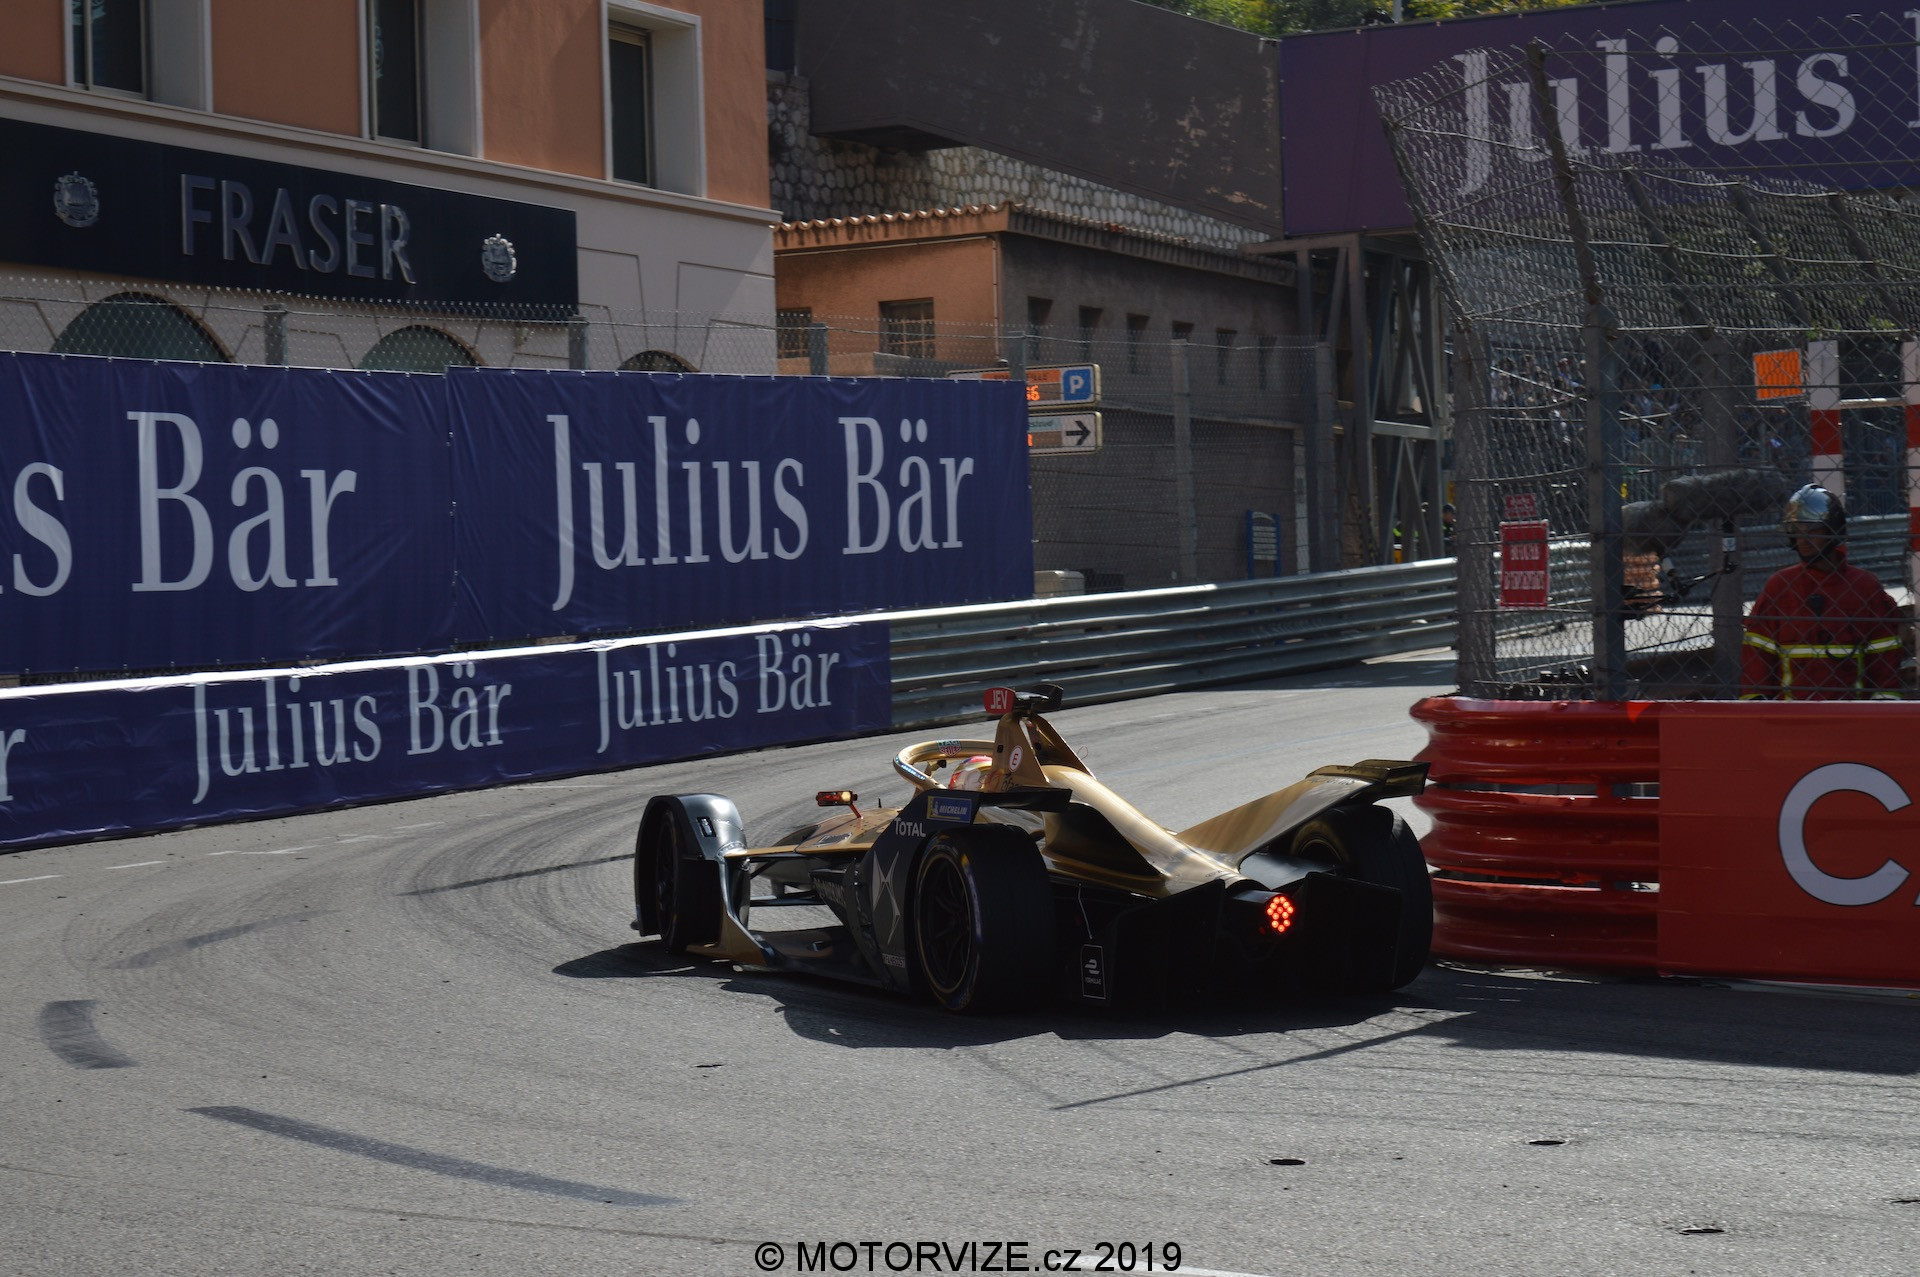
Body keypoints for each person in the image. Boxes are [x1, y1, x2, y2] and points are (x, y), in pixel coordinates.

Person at [1741, 484, 1904, 700]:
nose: (1803, 541)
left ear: (1834, 531)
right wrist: (1759, 714)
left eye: (1813, 531)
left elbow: (1886, 665)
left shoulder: (1864, 587)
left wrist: (1879, 716)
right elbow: (1757, 661)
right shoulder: (1779, 586)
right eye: (1797, 531)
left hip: (1850, 720)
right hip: (1791, 721)